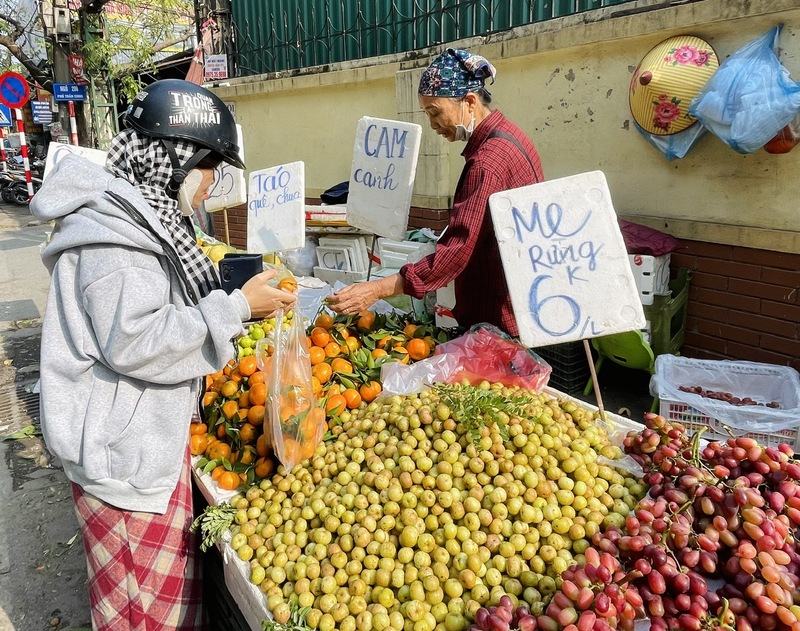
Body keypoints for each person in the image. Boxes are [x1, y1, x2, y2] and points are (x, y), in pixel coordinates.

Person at [30, 79, 296, 631]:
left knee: (167, 606)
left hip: (144, 443)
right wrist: (235, 309)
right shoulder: (115, 238)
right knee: (141, 614)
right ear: (178, 160)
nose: (209, 188)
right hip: (123, 459)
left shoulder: (138, 217)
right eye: (209, 170)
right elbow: (138, 341)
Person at [327, 48, 544, 337]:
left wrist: (378, 288)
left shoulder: (487, 163)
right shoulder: (510, 136)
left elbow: (457, 252)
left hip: (501, 317)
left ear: (469, 102)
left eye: (435, 112)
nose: (432, 124)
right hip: (522, 303)